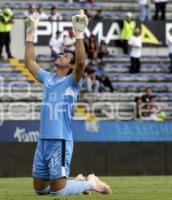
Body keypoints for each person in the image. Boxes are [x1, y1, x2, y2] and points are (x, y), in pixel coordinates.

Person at [24, 10, 112, 196]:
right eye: (62, 54)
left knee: (58, 191)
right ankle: (78, 182)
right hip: (43, 140)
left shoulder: (73, 80)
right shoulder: (48, 78)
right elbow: (30, 61)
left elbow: (81, 62)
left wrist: (78, 33)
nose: (61, 55)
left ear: (70, 66)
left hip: (60, 139)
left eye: (66, 55)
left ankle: (91, 183)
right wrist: (30, 34)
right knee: (40, 189)